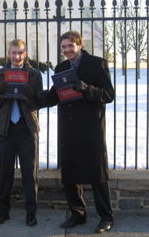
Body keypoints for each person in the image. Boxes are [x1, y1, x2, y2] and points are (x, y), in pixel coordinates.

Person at [37, 31, 115, 233]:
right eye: (63, 47)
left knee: (97, 173)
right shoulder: (61, 67)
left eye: (70, 46)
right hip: (69, 126)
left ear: (79, 45)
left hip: (91, 127)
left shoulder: (97, 64)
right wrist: (31, 99)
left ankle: (106, 216)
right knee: (70, 173)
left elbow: (109, 94)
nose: (67, 50)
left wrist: (87, 88)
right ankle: (78, 214)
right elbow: (55, 95)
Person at [0, 39, 43, 227]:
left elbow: (38, 104)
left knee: (30, 173)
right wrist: (1, 93)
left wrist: (30, 96)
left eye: (20, 53)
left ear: (25, 54)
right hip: (5, 129)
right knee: (4, 174)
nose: (17, 56)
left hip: (26, 129)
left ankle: (31, 212)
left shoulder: (35, 75)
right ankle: (3, 211)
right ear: (9, 54)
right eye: (13, 53)